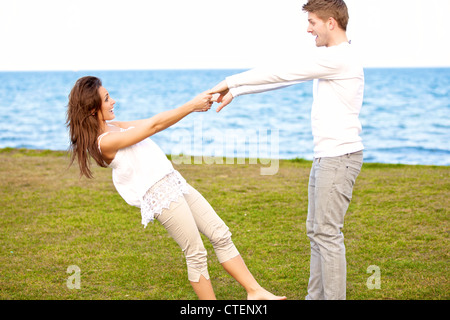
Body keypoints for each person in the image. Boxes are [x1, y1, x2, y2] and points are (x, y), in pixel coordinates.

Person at [66, 76, 286, 300]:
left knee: (220, 234)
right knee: (196, 252)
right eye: (106, 99)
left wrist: (202, 99)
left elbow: (152, 120)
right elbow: (154, 126)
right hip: (159, 194)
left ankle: (255, 292)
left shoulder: (113, 126)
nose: (113, 101)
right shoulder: (103, 142)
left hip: (174, 181)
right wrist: (191, 106)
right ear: (93, 109)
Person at [210, 0, 364, 300]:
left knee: (328, 235)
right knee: (316, 232)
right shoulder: (332, 57)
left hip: (339, 157)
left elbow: (284, 73)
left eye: (313, 23)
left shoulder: (340, 58)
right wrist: (237, 90)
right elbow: (283, 78)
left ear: (331, 22)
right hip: (327, 156)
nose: (309, 29)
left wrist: (229, 82)